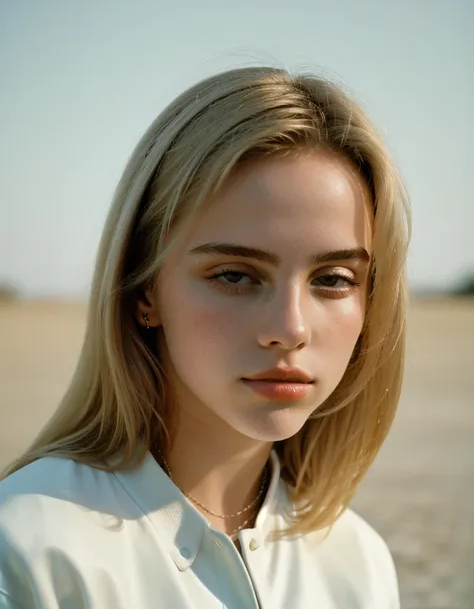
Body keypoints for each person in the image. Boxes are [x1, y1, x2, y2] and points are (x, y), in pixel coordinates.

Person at [0, 65, 410, 609]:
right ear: (145, 290)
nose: (290, 328)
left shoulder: (358, 563)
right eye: (235, 275)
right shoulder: (29, 550)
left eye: (333, 280)